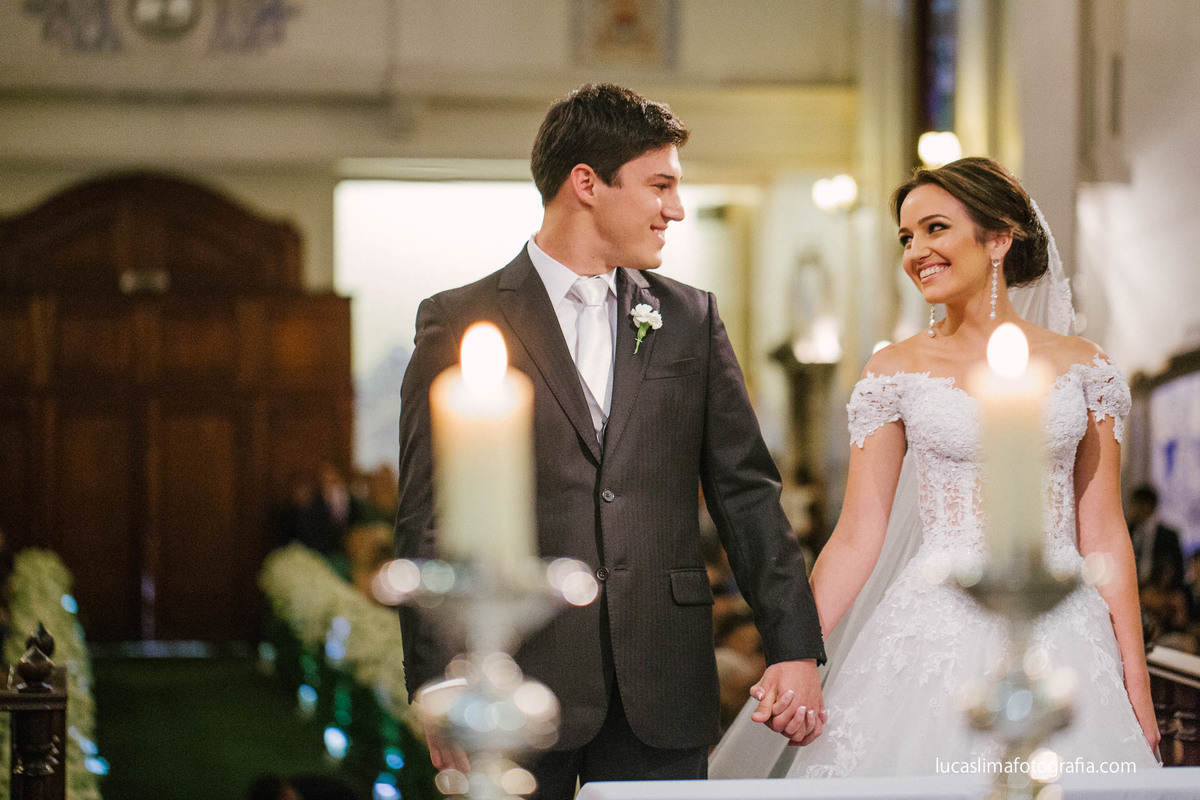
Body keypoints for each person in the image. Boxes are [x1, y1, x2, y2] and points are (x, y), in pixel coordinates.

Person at [395, 83, 826, 795]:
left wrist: (795, 648)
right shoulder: (459, 319)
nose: (676, 209)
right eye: (660, 185)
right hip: (514, 680)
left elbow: (747, 492)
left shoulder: (690, 318)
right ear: (586, 183)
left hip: (662, 683)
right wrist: (437, 684)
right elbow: (427, 517)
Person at [713, 157, 1161, 777]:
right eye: (906, 236)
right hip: (931, 626)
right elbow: (857, 536)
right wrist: (796, 656)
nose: (916, 250)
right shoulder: (895, 371)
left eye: (935, 229)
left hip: (1060, 623)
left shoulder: (1085, 367)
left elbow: (1105, 531)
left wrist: (1133, 678)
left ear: (999, 238)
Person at [1128, 484, 1185, 589]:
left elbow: (1177, 569)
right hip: (1129, 587)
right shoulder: (1129, 530)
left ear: (1149, 505)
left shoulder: (1168, 536)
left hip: (1158, 592)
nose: (1134, 509)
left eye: (1138, 504)